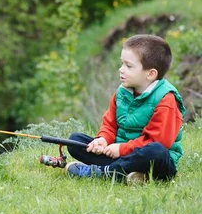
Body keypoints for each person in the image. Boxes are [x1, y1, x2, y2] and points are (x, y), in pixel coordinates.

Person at [65, 34, 187, 184]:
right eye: (122, 64)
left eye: (128, 66)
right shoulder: (122, 92)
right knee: (74, 141)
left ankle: (104, 172)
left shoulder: (166, 99)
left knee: (156, 151)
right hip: (119, 154)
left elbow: (158, 141)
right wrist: (103, 139)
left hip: (156, 161)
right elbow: (110, 124)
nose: (121, 70)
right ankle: (129, 174)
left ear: (150, 74)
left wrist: (122, 149)